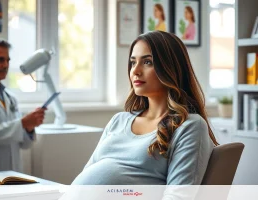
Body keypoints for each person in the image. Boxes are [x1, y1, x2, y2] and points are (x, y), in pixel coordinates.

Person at [72, 31, 218, 185]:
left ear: (171, 68)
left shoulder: (189, 126)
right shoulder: (119, 120)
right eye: (133, 62)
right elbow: (88, 171)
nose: (135, 71)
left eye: (147, 62)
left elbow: (178, 195)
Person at [0, 38, 46, 172]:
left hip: (13, 173)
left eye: (8, 60)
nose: (6, 65)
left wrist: (29, 128)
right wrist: (22, 124)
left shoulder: (10, 97)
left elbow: (24, 144)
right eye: (0, 60)